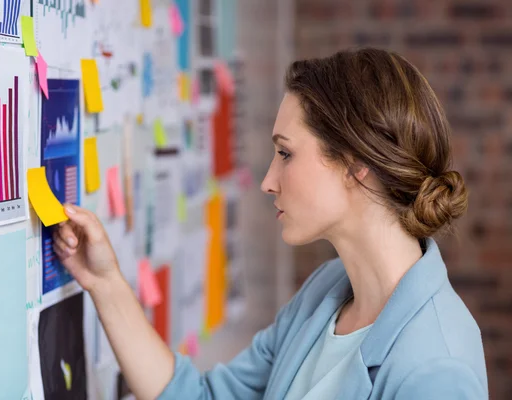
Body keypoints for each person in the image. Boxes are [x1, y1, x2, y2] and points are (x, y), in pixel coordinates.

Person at [53, 48, 488, 399]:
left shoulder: (436, 368)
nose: (266, 181)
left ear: (357, 165)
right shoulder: (327, 292)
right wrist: (105, 283)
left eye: (285, 153)